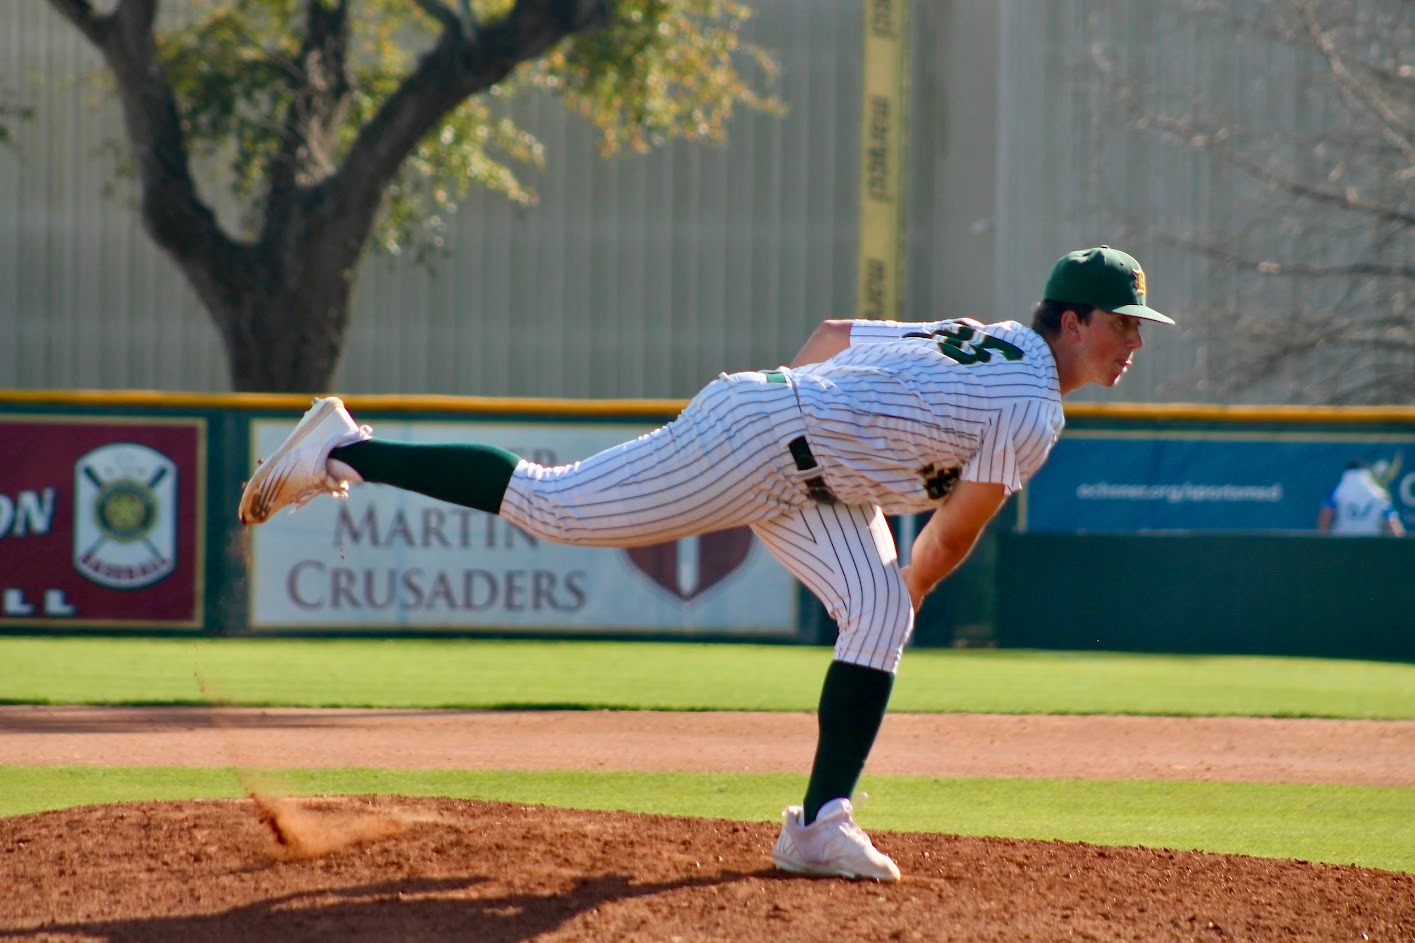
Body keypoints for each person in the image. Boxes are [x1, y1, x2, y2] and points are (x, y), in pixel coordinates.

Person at [238, 244, 1175, 881]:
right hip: (771, 445)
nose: (1134, 340)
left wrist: (806, 417)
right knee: (556, 505)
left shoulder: (987, 336)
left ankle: (818, 827)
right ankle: (343, 450)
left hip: (800, 456)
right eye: (1123, 322)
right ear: (1073, 320)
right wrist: (904, 569)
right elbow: (956, 532)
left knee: (878, 612)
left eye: (1137, 326)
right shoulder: (1031, 405)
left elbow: (835, 334)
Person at [1317, 461, 1405, 536]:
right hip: (1371, 545)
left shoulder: (1338, 492)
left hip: (1342, 544)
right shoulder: (1380, 495)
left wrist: (1324, 540)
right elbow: (1392, 523)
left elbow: (1326, 514)